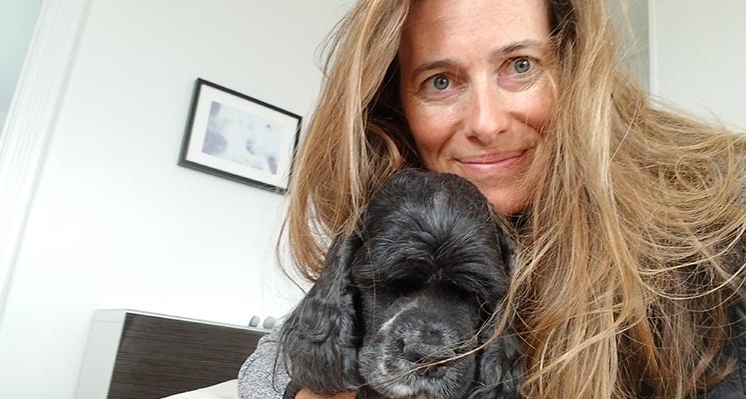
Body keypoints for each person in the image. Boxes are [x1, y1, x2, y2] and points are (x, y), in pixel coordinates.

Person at [238, 0, 746, 398]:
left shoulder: (714, 232)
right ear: (398, 103)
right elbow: (278, 355)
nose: (487, 122)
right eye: (441, 81)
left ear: (573, 69)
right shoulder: (408, 201)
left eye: (519, 65)